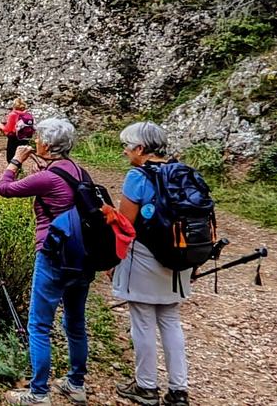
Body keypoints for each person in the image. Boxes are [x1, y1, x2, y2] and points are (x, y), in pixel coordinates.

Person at [0, 118, 90, 406]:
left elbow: (4, 188)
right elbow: (62, 193)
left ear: (47, 145)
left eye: (38, 138)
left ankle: (39, 393)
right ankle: (76, 383)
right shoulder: (78, 171)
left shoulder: (48, 177)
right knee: (75, 321)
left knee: (39, 325)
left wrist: (15, 160)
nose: (35, 141)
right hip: (82, 256)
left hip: (53, 255)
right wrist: (43, 169)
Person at [114, 122, 191, 406]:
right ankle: (178, 390)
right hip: (179, 258)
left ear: (141, 149)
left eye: (128, 146)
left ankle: (146, 386)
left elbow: (125, 225)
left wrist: (114, 260)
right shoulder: (181, 172)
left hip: (145, 257)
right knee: (170, 321)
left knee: (143, 321)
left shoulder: (137, 176)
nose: (125, 151)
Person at [2, 98, 35, 163]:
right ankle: (19, 170)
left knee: (11, 157)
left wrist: (1, 126)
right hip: (24, 137)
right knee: (20, 156)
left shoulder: (13, 114)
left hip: (14, 137)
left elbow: (8, 129)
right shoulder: (27, 115)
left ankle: (12, 170)